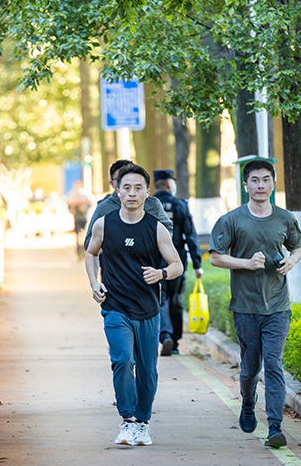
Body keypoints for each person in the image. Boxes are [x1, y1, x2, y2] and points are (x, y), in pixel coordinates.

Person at [208, 159, 301, 449]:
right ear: (245, 185)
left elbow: (298, 246)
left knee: (273, 364)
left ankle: (275, 426)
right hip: (246, 307)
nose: (260, 185)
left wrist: (292, 259)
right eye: (254, 180)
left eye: (266, 180)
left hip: (278, 306)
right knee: (251, 368)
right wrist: (246, 264)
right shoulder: (232, 220)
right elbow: (215, 256)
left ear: (274, 183)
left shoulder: (285, 218)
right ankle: (248, 402)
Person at [85, 163, 183, 447]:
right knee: (122, 360)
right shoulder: (105, 224)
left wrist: (161, 273)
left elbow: (176, 265)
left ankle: (143, 423)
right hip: (115, 306)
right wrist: (94, 283)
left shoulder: (156, 229)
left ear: (147, 192)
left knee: (148, 370)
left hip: (148, 309)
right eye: (126, 187)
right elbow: (91, 253)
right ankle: (127, 420)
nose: (131, 193)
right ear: (117, 191)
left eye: (138, 188)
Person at [152, 169, 203, 356]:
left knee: (160, 298)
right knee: (175, 299)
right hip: (177, 259)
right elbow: (190, 235)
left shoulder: (149, 204)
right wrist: (197, 264)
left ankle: (164, 334)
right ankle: (174, 342)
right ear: (169, 185)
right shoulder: (179, 205)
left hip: (154, 258)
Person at [84, 159, 173, 251]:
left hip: (148, 261)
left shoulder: (152, 204)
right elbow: (89, 244)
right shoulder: (104, 208)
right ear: (112, 183)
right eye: (119, 179)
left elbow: (168, 228)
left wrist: (156, 246)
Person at [66, 180, 94, 254]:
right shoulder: (72, 196)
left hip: (84, 217)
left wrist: (85, 208)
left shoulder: (86, 195)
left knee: (84, 233)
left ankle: (84, 247)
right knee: (77, 233)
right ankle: (78, 249)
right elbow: (69, 206)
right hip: (77, 218)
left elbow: (90, 204)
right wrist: (73, 211)